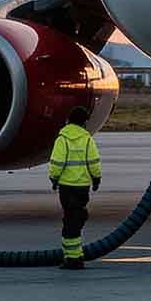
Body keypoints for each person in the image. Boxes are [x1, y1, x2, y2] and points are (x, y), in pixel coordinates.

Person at [48, 105, 102, 270]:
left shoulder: (62, 139)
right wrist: (96, 179)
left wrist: (54, 179)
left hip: (67, 187)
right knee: (74, 219)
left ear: (68, 121)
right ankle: (74, 256)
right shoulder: (87, 140)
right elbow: (94, 162)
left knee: (70, 222)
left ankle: (73, 259)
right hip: (82, 187)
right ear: (84, 123)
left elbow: (57, 162)